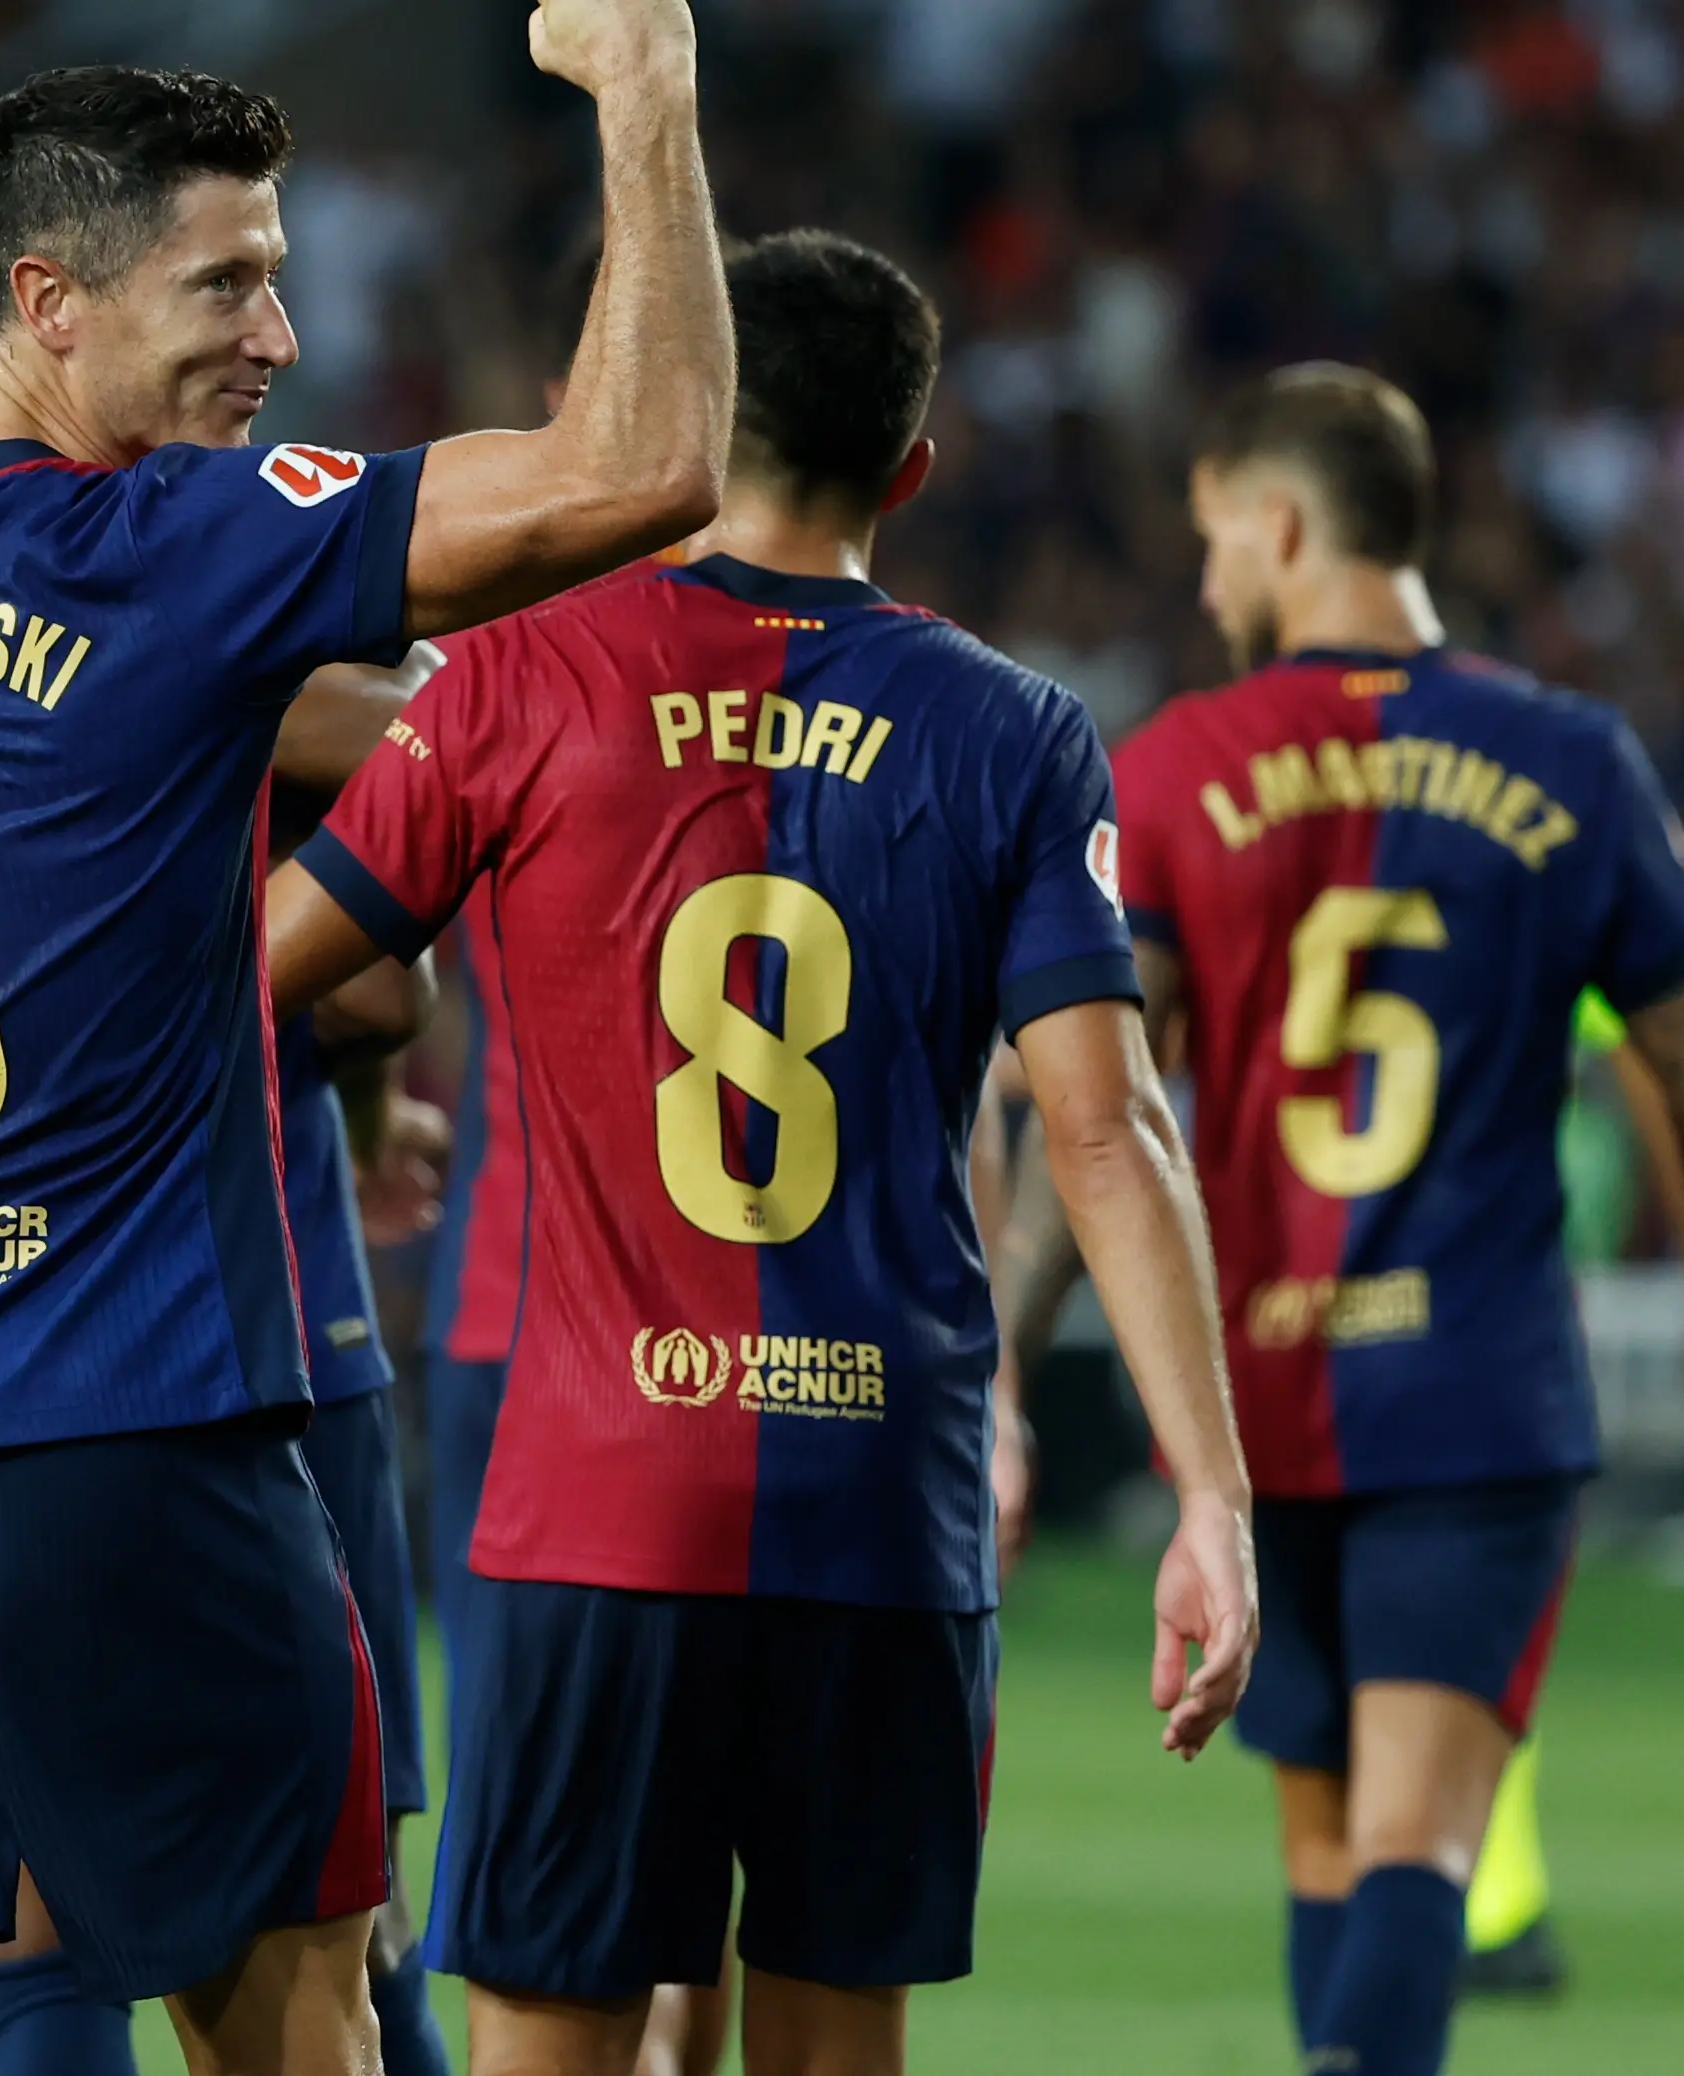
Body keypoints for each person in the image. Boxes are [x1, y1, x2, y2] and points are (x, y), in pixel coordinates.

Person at [0, 11, 736, 2072]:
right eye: (224, 285)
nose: (276, 334)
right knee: (297, 2023)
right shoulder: (180, 549)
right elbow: (643, 469)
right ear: (49, 301)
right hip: (127, 1447)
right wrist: (645, 90)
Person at [260, 228, 1259, 2076]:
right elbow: (1107, 1128)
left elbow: (261, 976)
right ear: (911, 468)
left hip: (591, 1488)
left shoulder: (513, 681)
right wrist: (1211, 1495)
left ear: (689, 418)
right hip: (881, 1496)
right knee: (831, 2034)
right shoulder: (1017, 732)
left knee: (548, 2026)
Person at [1075, 362, 1684, 2076]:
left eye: (1213, 537)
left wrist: (1007, 1359)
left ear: (1280, 524)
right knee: (1416, 1840)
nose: (1207, 577)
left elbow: (1099, 1098)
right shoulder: (1569, 758)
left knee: (1321, 1843)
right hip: (1476, 1385)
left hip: (1258, 1390)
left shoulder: (1175, 768)